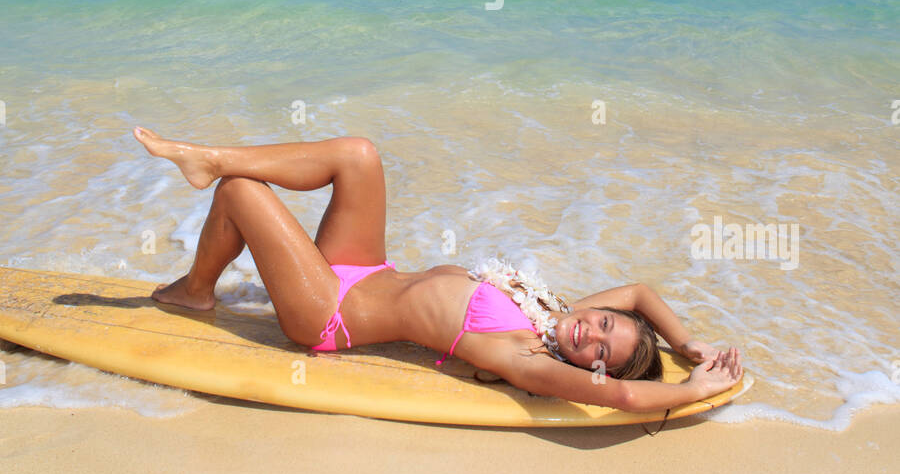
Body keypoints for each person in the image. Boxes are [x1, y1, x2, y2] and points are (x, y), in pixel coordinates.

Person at [133, 128, 742, 414]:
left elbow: (627, 395)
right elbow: (639, 289)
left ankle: (195, 290)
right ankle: (209, 156)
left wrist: (690, 391)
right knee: (359, 156)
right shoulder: (550, 309)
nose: (594, 333)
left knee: (243, 193)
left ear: (593, 368)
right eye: (607, 322)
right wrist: (688, 343)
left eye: (601, 348)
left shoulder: (521, 356)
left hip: (331, 312)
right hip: (364, 269)